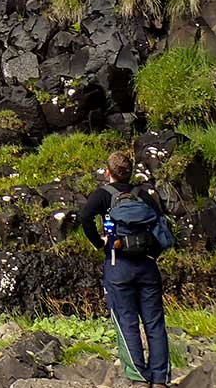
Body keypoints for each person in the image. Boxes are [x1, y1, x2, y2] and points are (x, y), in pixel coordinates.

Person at [79, 150, 170, 388]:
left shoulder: (102, 195)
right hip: (148, 266)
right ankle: (160, 378)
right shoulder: (143, 194)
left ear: (108, 172)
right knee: (155, 322)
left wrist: (100, 243)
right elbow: (162, 226)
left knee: (126, 321)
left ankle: (139, 378)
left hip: (118, 265)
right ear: (129, 173)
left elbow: (84, 217)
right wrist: (152, 253)